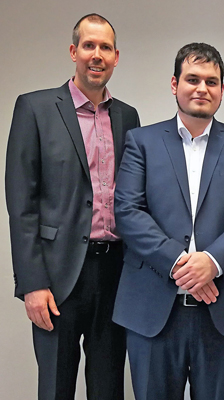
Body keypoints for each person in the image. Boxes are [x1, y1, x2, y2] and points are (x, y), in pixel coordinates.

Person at [112, 42, 224, 400]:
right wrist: (180, 264)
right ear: (175, 84)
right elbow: (128, 212)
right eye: (193, 79)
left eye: (211, 82)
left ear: (222, 90)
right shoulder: (141, 141)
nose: (202, 88)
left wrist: (212, 262)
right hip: (153, 311)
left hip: (223, 310)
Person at [5, 13, 140, 400]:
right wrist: (32, 284)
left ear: (116, 57)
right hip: (57, 277)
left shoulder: (127, 117)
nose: (97, 55)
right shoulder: (35, 108)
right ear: (73, 51)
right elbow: (21, 204)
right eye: (89, 45)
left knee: (108, 387)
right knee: (55, 388)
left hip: (115, 274)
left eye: (105, 47)